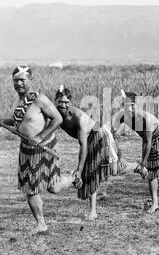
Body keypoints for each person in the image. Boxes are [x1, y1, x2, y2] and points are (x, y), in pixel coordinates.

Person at [0, 66, 65, 234]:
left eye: (22, 80)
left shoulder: (40, 99)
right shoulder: (18, 100)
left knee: (54, 188)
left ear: (30, 80)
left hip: (44, 147)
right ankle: (41, 224)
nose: (19, 83)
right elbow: (20, 121)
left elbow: (57, 119)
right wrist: (2, 121)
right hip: (26, 150)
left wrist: (40, 137)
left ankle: (74, 179)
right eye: (16, 80)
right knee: (31, 190)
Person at [55, 86, 129, 221]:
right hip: (89, 138)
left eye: (66, 102)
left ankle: (137, 167)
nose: (63, 105)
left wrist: (79, 169)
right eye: (60, 102)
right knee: (91, 172)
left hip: (100, 135)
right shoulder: (54, 114)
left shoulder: (78, 118)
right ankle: (93, 211)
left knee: (114, 170)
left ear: (70, 103)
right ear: (55, 101)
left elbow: (83, 145)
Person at [112, 92, 159, 213]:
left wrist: (143, 164)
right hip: (149, 140)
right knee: (152, 172)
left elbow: (148, 142)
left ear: (135, 105)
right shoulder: (123, 116)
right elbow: (112, 132)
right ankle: (155, 203)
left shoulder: (147, 119)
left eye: (127, 106)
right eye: (123, 105)